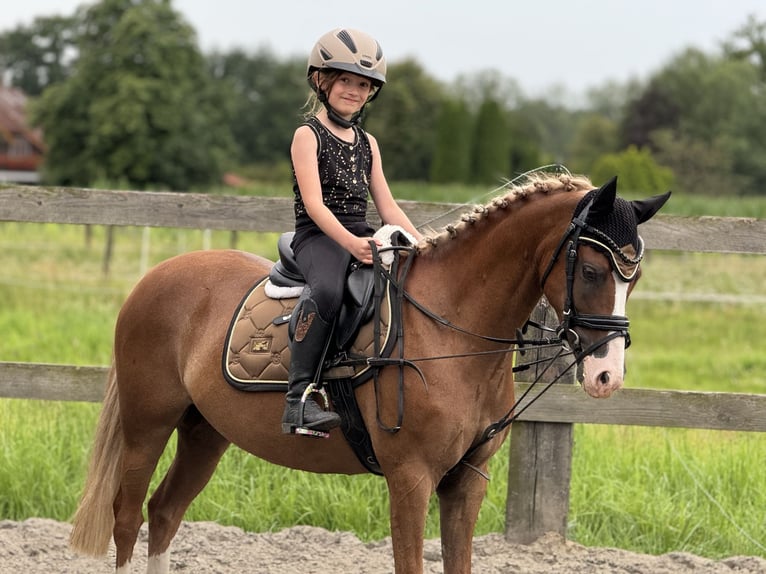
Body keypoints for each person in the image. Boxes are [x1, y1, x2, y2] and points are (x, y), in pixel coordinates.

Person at [282, 28, 423, 435]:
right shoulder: (307, 135)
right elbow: (314, 205)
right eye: (345, 80)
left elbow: (388, 205)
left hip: (362, 232)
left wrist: (422, 244)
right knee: (326, 290)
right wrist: (350, 244)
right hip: (318, 237)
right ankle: (298, 401)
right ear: (322, 81)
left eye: (363, 85)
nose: (354, 90)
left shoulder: (368, 142)